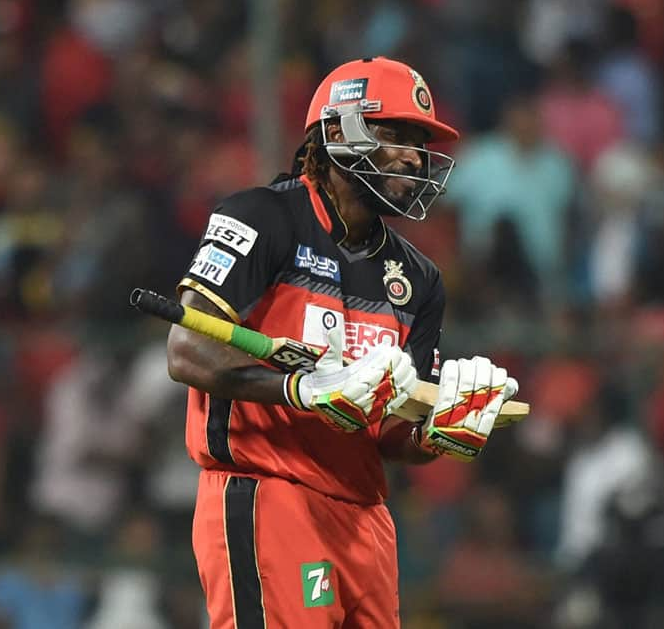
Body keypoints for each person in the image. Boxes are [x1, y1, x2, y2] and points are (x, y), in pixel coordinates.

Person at [166, 56, 519, 628]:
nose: (413, 154)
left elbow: (392, 433)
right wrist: (301, 389)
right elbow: (187, 352)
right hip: (272, 493)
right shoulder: (262, 217)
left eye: (419, 141)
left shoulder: (420, 279)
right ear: (337, 131)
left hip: (366, 516)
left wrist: (441, 431)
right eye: (395, 134)